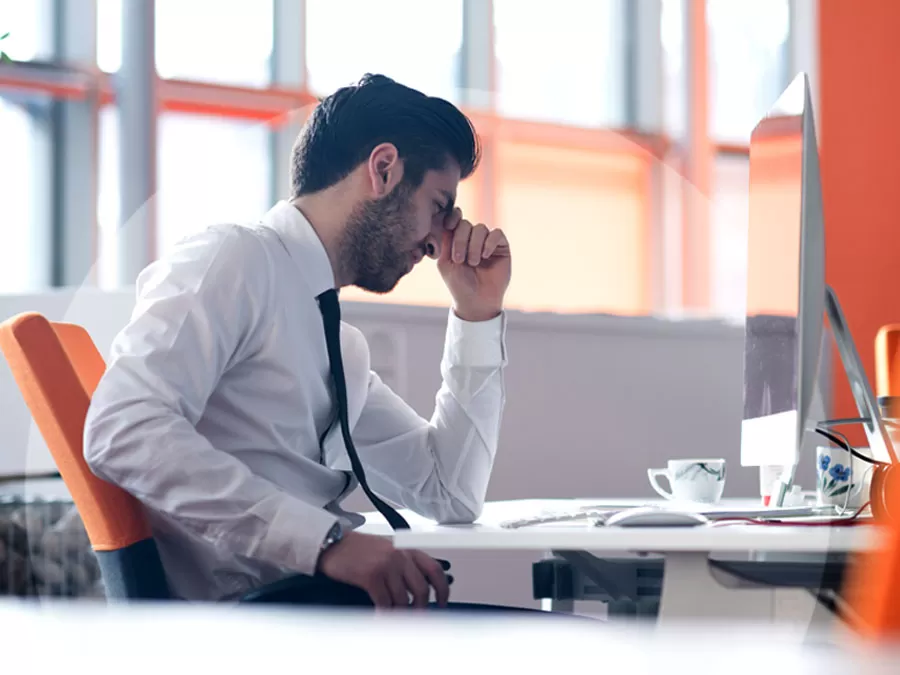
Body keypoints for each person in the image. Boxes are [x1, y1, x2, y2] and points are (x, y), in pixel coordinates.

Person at [83, 73, 512, 610]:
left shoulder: (337, 344)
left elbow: (450, 494)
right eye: (438, 204)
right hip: (265, 624)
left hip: (312, 612)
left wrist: (476, 315)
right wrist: (325, 543)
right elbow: (121, 427)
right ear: (383, 169)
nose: (437, 241)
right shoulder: (233, 260)